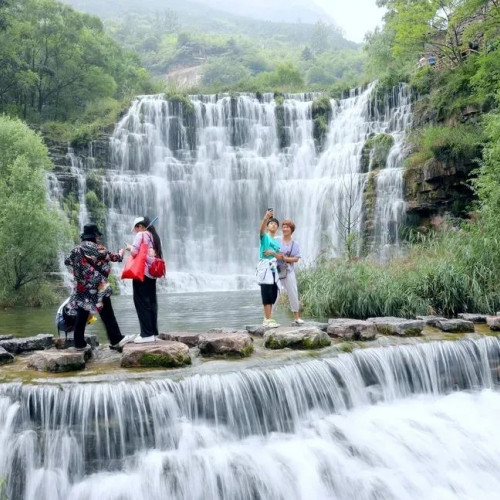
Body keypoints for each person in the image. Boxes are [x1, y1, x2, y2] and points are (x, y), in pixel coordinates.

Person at [64, 223, 135, 350]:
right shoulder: (97, 248)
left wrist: (82, 268)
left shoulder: (76, 249)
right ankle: (116, 339)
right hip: (98, 286)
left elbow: (67, 261)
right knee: (107, 313)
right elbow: (114, 257)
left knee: (82, 313)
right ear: (95, 236)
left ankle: (79, 343)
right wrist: (120, 253)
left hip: (82, 287)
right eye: (97, 236)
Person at [126, 216, 163, 343]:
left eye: (136, 228)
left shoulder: (141, 235)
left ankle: (146, 335)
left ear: (140, 226)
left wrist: (130, 248)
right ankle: (152, 333)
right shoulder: (154, 237)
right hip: (152, 274)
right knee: (151, 302)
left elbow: (135, 252)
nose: (136, 231)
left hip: (142, 273)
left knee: (141, 302)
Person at [276, 219, 304, 325]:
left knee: (293, 292)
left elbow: (296, 259)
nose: (284, 228)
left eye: (287, 227)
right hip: (277, 270)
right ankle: (268, 318)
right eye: (283, 227)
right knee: (274, 294)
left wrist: (285, 259)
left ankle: (297, 318)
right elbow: (270, 252)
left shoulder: (295, 244)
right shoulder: (276, 240)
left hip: (289, 271)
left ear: (291, 229)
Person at [259, 209, 281, 328]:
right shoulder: (265, 237)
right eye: (271, 223)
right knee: (266, 293)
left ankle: (268, 317)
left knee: (272, 294)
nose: (273, 224)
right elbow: (260, 230)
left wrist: (273, 252)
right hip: (265, 268)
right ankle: (267, 320)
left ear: (277, 227)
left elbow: (280, 256)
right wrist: (266, 217)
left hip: (274, 270)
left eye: (275, 224)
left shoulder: (277, 243)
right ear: (267, 227)